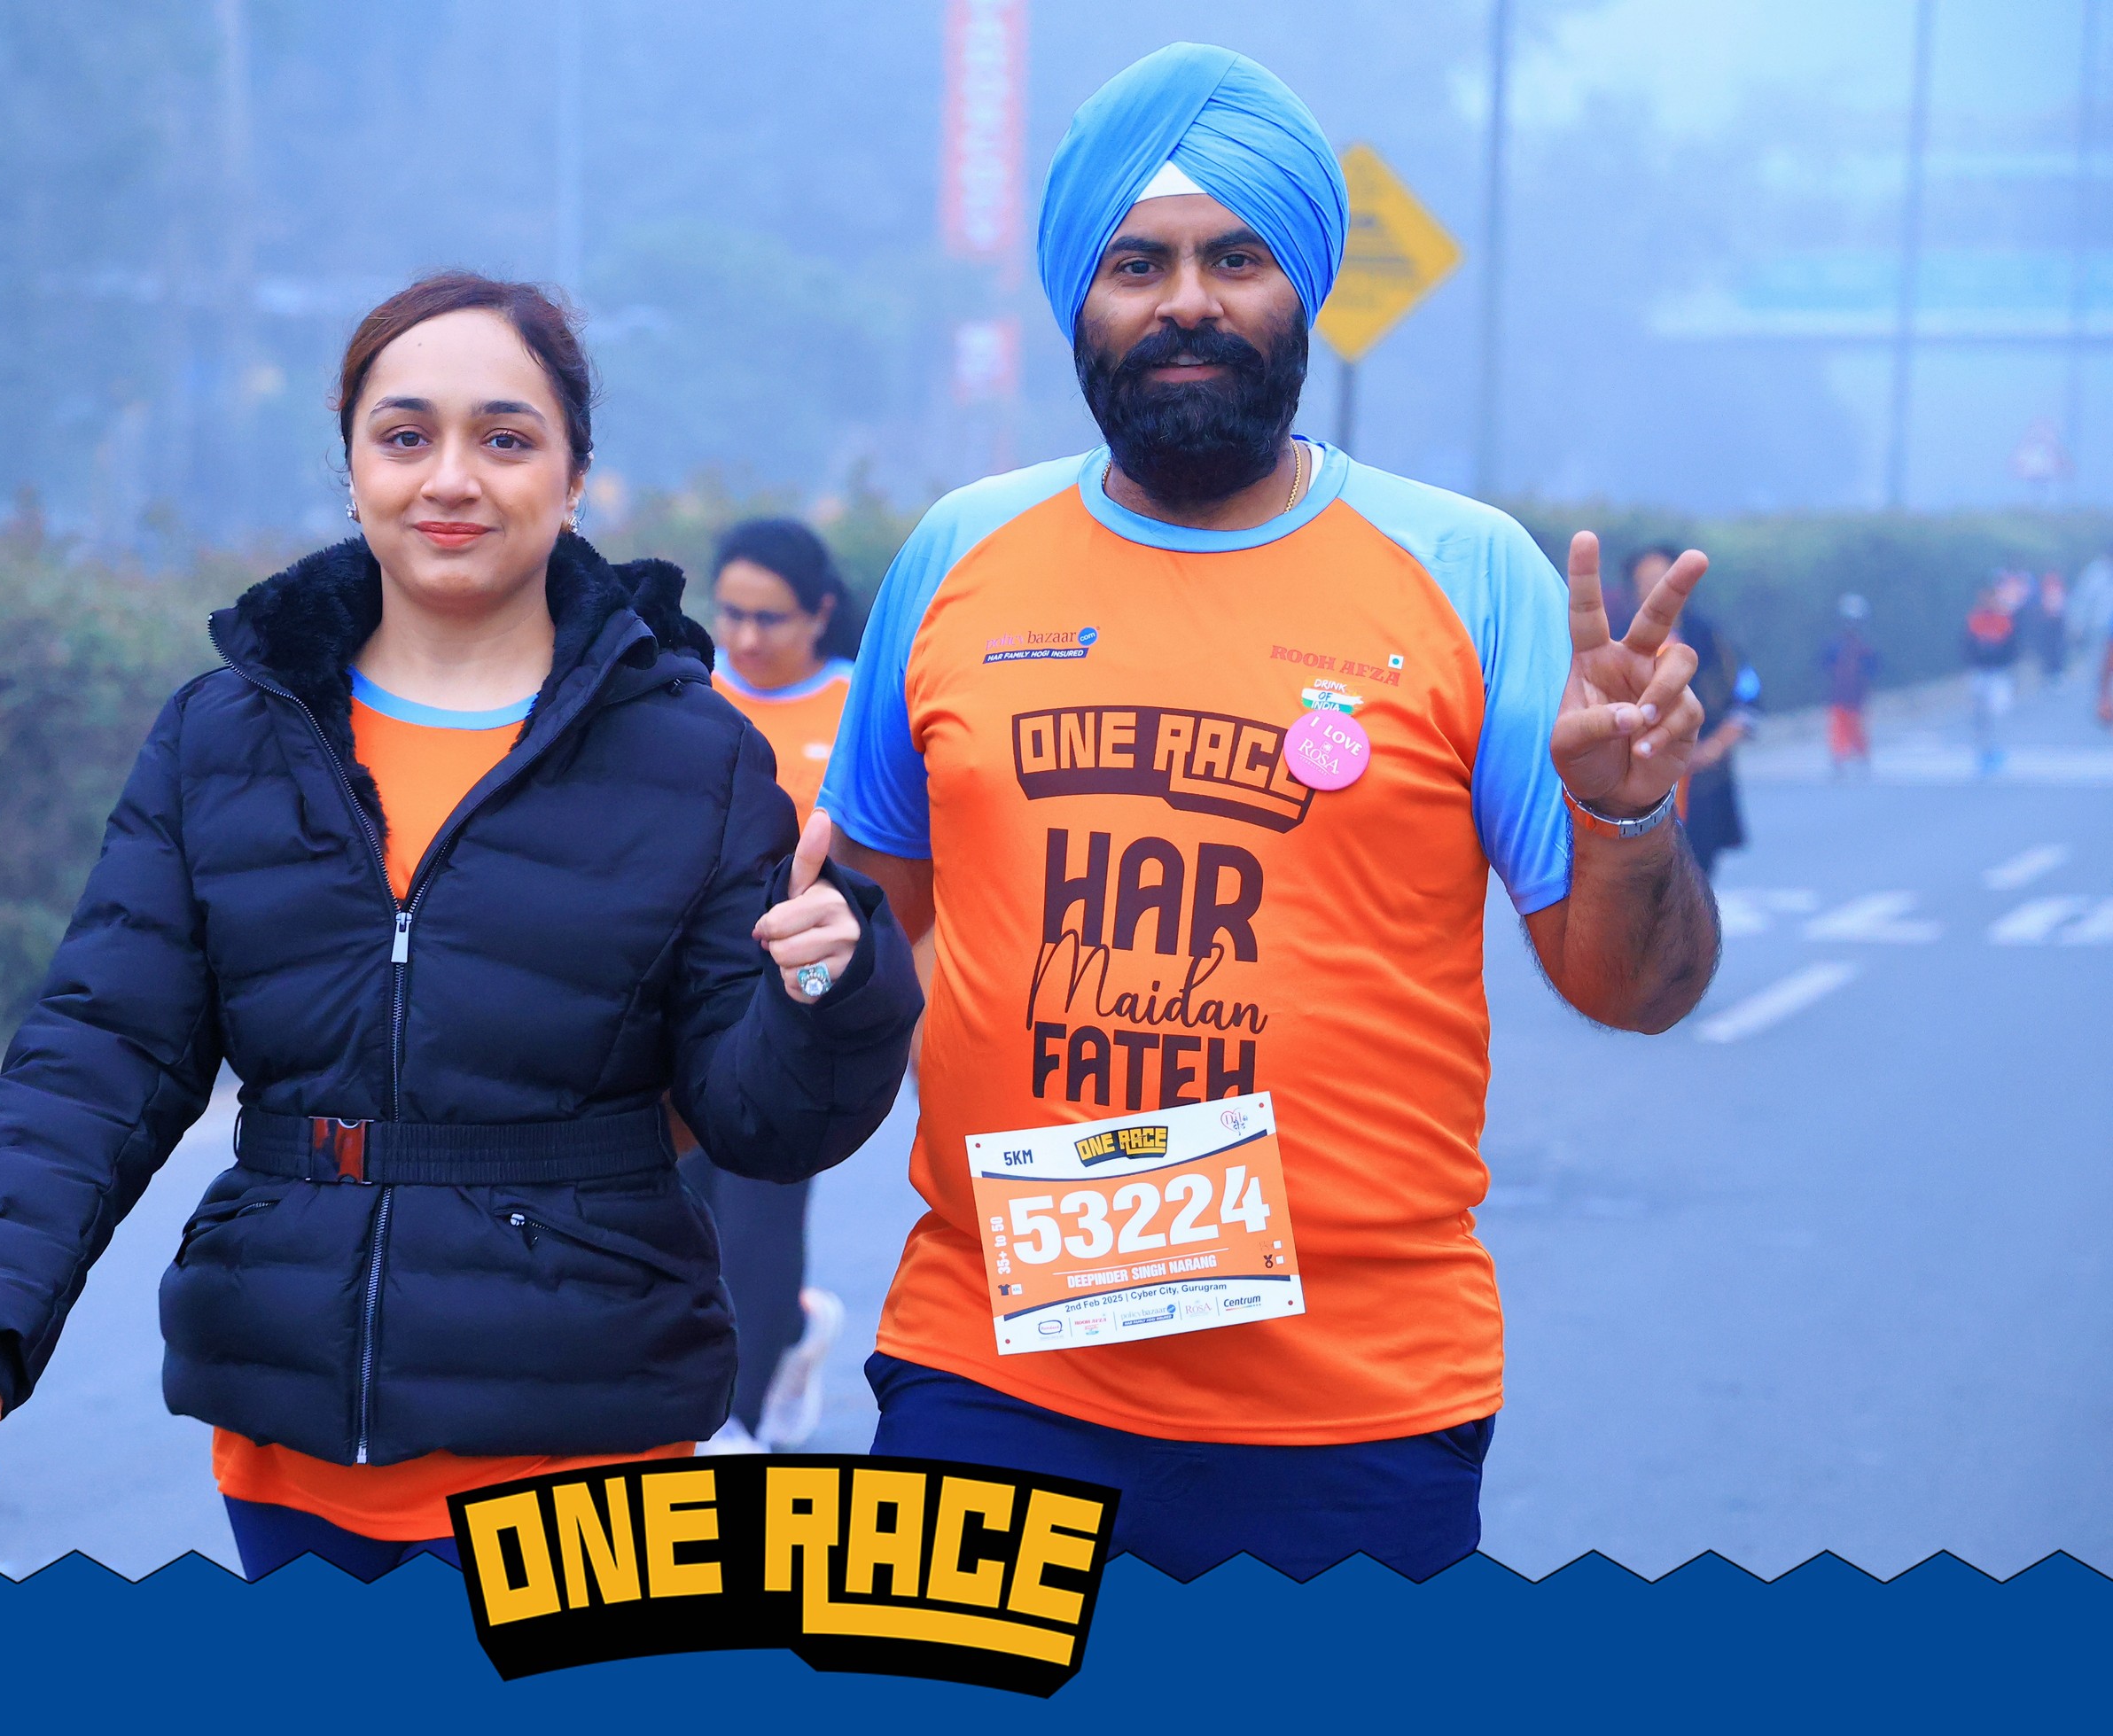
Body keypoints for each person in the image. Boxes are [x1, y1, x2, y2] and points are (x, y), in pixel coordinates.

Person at [820, 43, 1720, 1582]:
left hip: (1353, 1416)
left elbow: (1636, 991)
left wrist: (1628, 820)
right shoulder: (960, 557)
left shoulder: (1468, 574)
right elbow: (866, 941)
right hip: (994, 1374)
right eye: (1138, 264)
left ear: (1302, 289)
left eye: (1235, 259)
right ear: (1078, 302)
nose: (1188, 301)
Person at [0, 272, 920, 1580]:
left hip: (587, 1451)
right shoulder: (227, 736)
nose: (452, 479)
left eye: (506, 438)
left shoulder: (691, 754)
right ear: (354, 467)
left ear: (576, 478)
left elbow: (764, 1122)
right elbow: (98, 1055)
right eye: (407, 434)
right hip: (292, 1451)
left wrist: (832, 986)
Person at [688, 516, 869, 1452]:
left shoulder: (860, 706)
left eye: (771, 618)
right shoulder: (689, 695)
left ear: (820, 612)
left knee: (758, 1206)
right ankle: (784, 1334)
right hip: (685, 996)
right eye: (732, 614)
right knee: (683, 1208)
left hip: (800, 1000)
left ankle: (742, 1427)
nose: (747, 636)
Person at [1627, 543, 1756, 881]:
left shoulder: (1709, 638)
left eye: (1662, 578)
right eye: (1645, 581)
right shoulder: (1620, 640)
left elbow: (1747, 695)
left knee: (1696, 878)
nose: (1655, 589)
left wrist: (1713, 748)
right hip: (1639, 788)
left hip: (1702, 783)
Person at [1963, 575, 2020, 775]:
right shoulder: (1974, 619)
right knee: (1980, 715)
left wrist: (1998, 658)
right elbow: (1967, 646)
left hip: (1999, 674)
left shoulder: (2004, 620)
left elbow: (2012, 647)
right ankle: (1983, 751)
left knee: (1998, 712)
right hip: (1980, 673)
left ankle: (1997, 750)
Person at [1818, 593, 1880, 776]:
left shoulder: (1864, 647)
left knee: (1856, 727)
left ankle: (1858, 757)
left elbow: (1872, 669)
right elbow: (1827, 665)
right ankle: (1840, 757)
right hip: (1841, 695)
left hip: (1856, 696)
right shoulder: (1837, 646)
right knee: (1841, 726)